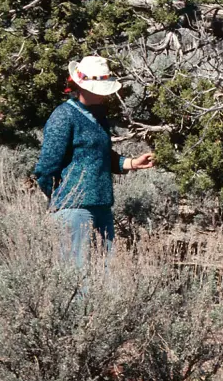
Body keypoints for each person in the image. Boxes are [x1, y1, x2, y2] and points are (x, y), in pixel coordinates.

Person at [33, 55, 155, 263]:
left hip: (102, 206)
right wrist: (61, 196)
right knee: (79, 280)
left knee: (102, 277)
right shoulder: (63, 116)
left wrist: (132, 163)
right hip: (73, 210)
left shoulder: (98, 116)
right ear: (83, 87)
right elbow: (46, 167)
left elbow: (102, 157)